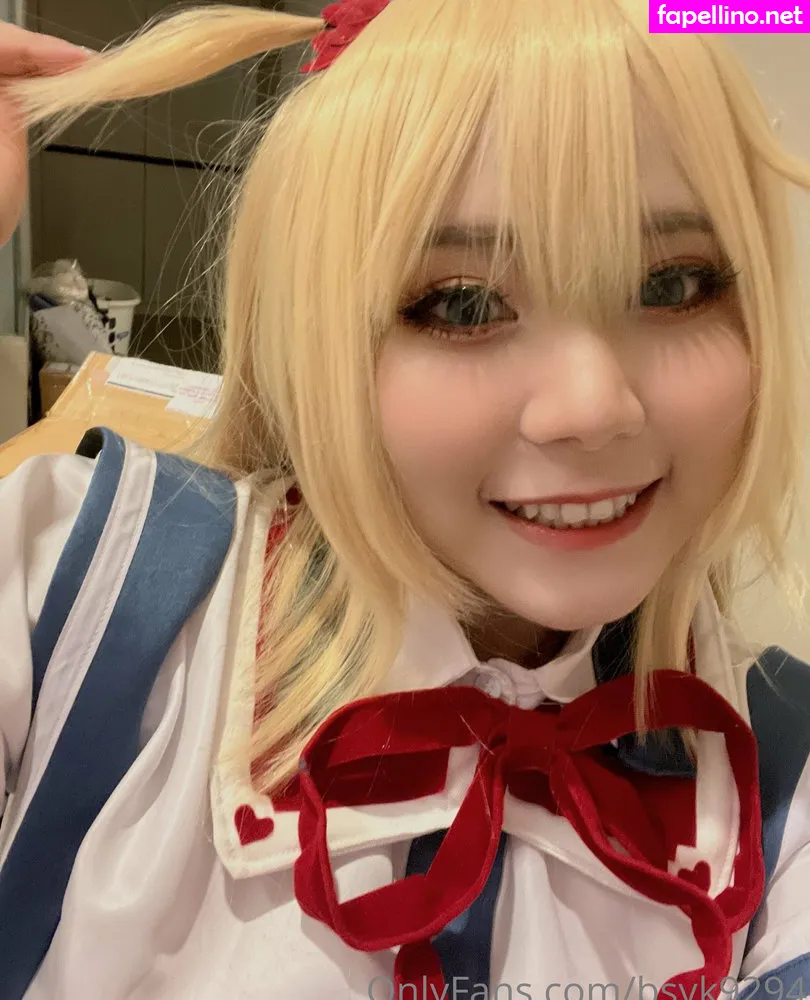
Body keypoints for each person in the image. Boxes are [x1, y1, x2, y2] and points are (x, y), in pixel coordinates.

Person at [0, 1, 809, 998]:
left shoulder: (787, 776)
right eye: (463, 303)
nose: (594, 409)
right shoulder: (73, 593)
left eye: (677, 285)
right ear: (316, 333)